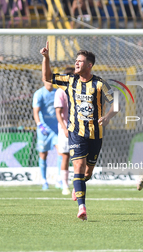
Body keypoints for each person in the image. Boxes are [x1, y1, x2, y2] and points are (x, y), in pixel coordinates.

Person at [40, 42, 118, 221]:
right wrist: (46, 58)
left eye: (80, 61)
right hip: (76, 132)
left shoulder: (100, 84)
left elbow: (117, 103)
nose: (76, 64)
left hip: (96, 134)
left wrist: (107, 117)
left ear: (89, 65)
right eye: (76, 61)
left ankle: (78, 185)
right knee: (78, 167)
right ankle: (82, 207)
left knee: (87, 173)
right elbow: (47, 77)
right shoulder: (70, 81)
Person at [33, 78, 62, 191]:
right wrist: (39, 124)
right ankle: (44, 180)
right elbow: (36, 111)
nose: (50, 82)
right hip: (44, 129)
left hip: (56, 129)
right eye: (48, 80)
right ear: (43, 80)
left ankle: (59, 179)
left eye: (51, 80)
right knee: (43, 154)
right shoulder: (39, 94)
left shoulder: (57, 92)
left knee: (61, 152)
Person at [54, 67, 74, 195]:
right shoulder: (60, 92)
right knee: (65, 156)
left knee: (80, 157)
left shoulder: (79, 90)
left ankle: (78, 183)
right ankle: (65, 185)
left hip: (80, 128)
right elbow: (58, 112)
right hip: (66, 128)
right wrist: (64, 128)